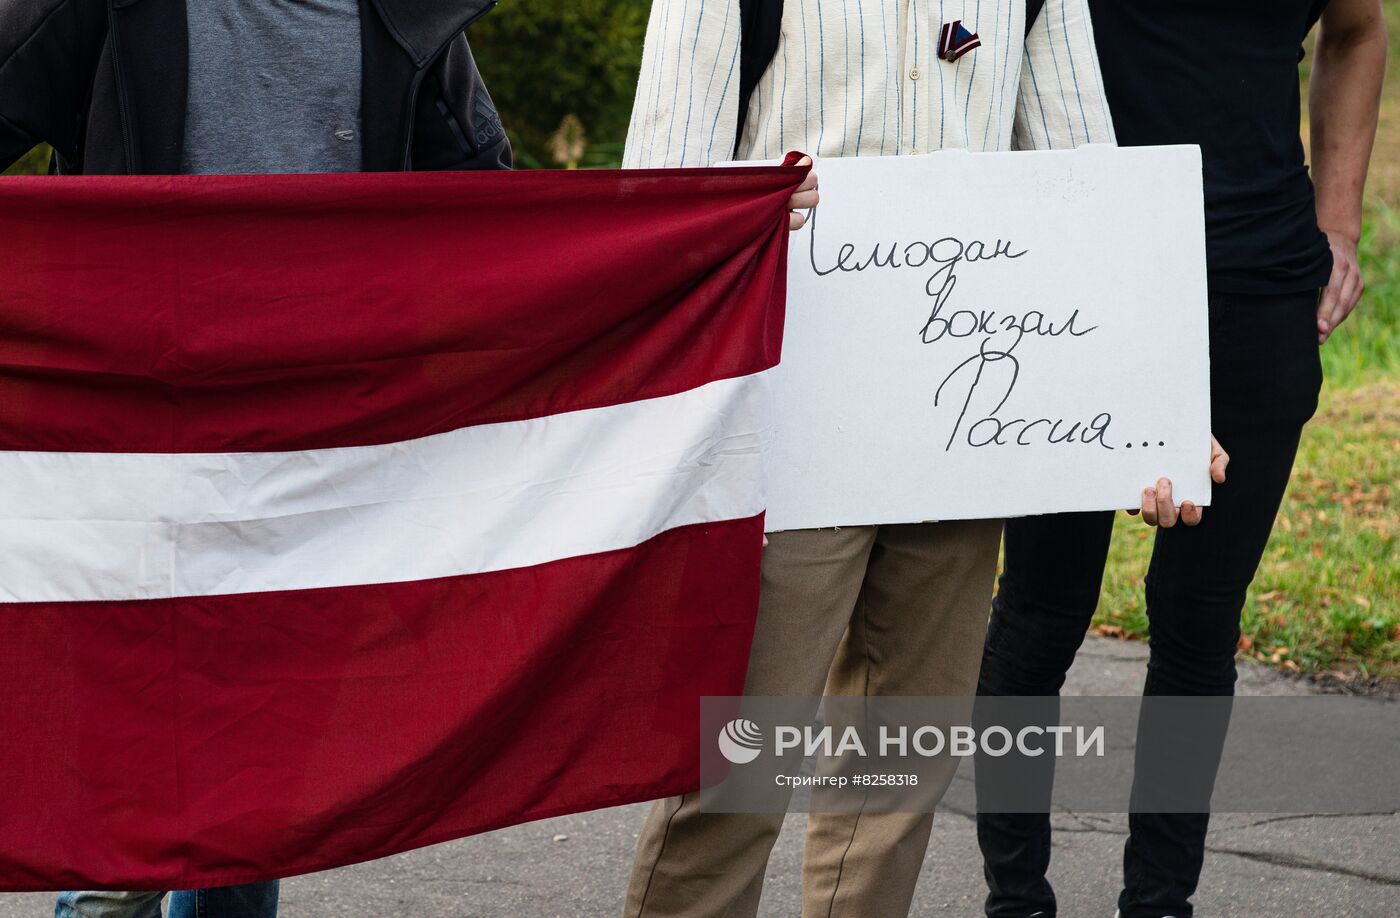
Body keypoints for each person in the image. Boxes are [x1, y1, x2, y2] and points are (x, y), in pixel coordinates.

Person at [615, 1, 1195, 915]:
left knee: (896, 779)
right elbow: (659, 191)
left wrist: (1157, 415)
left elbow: (1087, 188)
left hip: (958, 433)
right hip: (780, 426)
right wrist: (744, 209)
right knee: (734, 776)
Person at [0, 1, 512, 915]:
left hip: (310, 446)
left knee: (254, 775)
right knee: (134, 768)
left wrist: (710, 228)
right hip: (138, 438)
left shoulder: (402, 13)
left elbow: (493, 204)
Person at [974, 2, 1387, 916]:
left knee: (1199, 623)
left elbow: (1357, 29)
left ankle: (1160, 902)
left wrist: (1341, 223)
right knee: (1042, 611)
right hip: (1076, 278)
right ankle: (1017, 902)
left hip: (1259, 286)